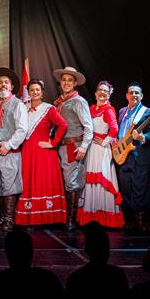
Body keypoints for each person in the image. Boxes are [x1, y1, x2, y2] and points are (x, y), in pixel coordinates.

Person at [15, 80, 68, 227]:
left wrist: (53, 142)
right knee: (28, 182)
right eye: (32, 90)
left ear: (42, 92)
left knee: (43, 182)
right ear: (28, 92)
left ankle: (48, 218)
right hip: (27, 151)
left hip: (43, 153)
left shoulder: (48, 109)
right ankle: (30, 217)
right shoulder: (24, 108)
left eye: (37, 90)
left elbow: (63, 125)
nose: (35, 92)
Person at [76, 80, 124, 228]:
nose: (102, 93)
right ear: (96, 93)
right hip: (91, 148)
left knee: (101, 179)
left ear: (109, 95)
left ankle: (104, 217)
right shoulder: (91, 108)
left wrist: (104, 142)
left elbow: (114, 129)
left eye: (106, 91)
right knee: (90, 180)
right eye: (100, 90)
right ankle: (91, 215)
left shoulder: (108, 110)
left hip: (101, 150)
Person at [0, 67, 28, 232]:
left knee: (9, 186)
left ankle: (9, 220)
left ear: (11, 86)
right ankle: (2, 218)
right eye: (0, 83)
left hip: (8, 152)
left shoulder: (17, 104)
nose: (3, 85)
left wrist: (8, 145)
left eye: (6, 82)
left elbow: (22, 129)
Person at [52, 66, 94, 231]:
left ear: (75, 83)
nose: (66, 83)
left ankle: (71, 219)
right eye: (64, 80)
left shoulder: (78, 101)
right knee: (66, 181)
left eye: (70, 80)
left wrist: (83, 146)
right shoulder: (60, 102)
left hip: (73, 146)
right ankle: (66, 215)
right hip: (61, 146)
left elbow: (88, 127)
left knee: (72, 182)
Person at [115, 83, 150, 232]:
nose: (134, 95)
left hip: (139, 155)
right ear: (127, 95)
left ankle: (139, 221)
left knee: (140, 187)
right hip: (123, 155)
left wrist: (142, 137)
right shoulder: (122, 111)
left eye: (137, 93)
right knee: (126, 186)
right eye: (131, 92)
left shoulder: (148, 112)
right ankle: (129, 219)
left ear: (141, 96)